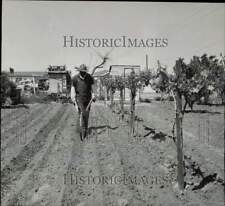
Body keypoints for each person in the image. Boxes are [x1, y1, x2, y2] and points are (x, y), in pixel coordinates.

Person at [71, 64, 95, 141]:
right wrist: (73, 100)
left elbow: (92, 88)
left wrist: (93, 95)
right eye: (82, 72)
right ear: (79, 71)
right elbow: (72, 90)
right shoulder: (75, 79)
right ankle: (81, 129)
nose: (83, 73)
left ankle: (86, 129)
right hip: (79, 99)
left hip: (88, 99)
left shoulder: (89, 78)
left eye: (84, 72)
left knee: (86, 115)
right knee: (81, 113)